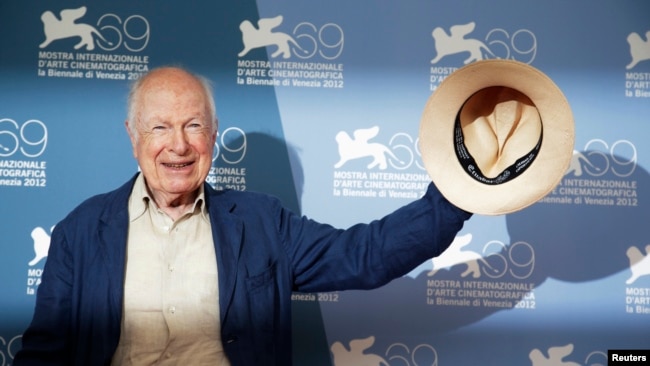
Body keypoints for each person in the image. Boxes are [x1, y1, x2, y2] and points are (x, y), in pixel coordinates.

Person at [14, 66, 471, 365]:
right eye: (160, 127)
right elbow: (44, 353)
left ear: (213, 135)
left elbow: (366, 254)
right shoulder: (80, 231)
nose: (178, 144)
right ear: (133, 136)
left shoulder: (260, 222)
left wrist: (461, 188)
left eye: (194, 125)